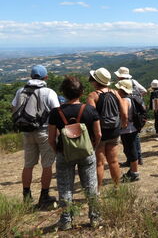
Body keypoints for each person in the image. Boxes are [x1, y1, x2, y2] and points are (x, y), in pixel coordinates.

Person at [47, 76, 101, 230]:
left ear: (63, 92)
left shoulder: (56, 113)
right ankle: (95, 218)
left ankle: (66, 220)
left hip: (64, 153)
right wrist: (93, 148)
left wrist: (57, 150)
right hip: (86, 152)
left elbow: (51, 138)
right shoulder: (90, 110)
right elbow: (99, 135)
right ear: (82, 92)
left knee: (64, 188)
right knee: (91, 185)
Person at [12, 65, 59, 206]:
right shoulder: (48, 92)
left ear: (31, 76)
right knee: (47, 165)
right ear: (46, 77)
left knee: (28, 165)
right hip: (44, 132)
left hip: (27, 132)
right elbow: (57, 112)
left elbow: (13, 106)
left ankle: (27, 195)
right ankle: (44, 197)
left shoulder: (20, 91)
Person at [87, 68, 127, 190]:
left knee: (99, 163)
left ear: (95, 81)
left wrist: (92, 134)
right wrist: (123, 124)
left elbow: (91, 117)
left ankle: (97, 191)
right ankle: (117, 187)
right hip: (114, 131)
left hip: (99, 133)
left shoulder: (93, 96)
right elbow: (124, 113)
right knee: (114, 161)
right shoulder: (115, 93)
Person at [114, 67, 145, 165]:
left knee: (129, 143)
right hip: (136, 113)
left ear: (120, 76)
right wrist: (137, 99)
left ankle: (132, 161)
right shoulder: (133, 81)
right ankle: (138, 158)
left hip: (128, 113)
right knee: (135, 138)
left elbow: (124, 114)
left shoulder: (122, 89)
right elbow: (144, 90)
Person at [116, 80, 140, 182]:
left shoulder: (124, 100)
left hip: (127, 129)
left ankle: (134, 173)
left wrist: (123, 124)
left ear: (122, 89)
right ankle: (132, 171)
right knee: (131, 149)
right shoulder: (130, 98)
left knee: (130, 150)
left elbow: (125, 114)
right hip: (132, 128)